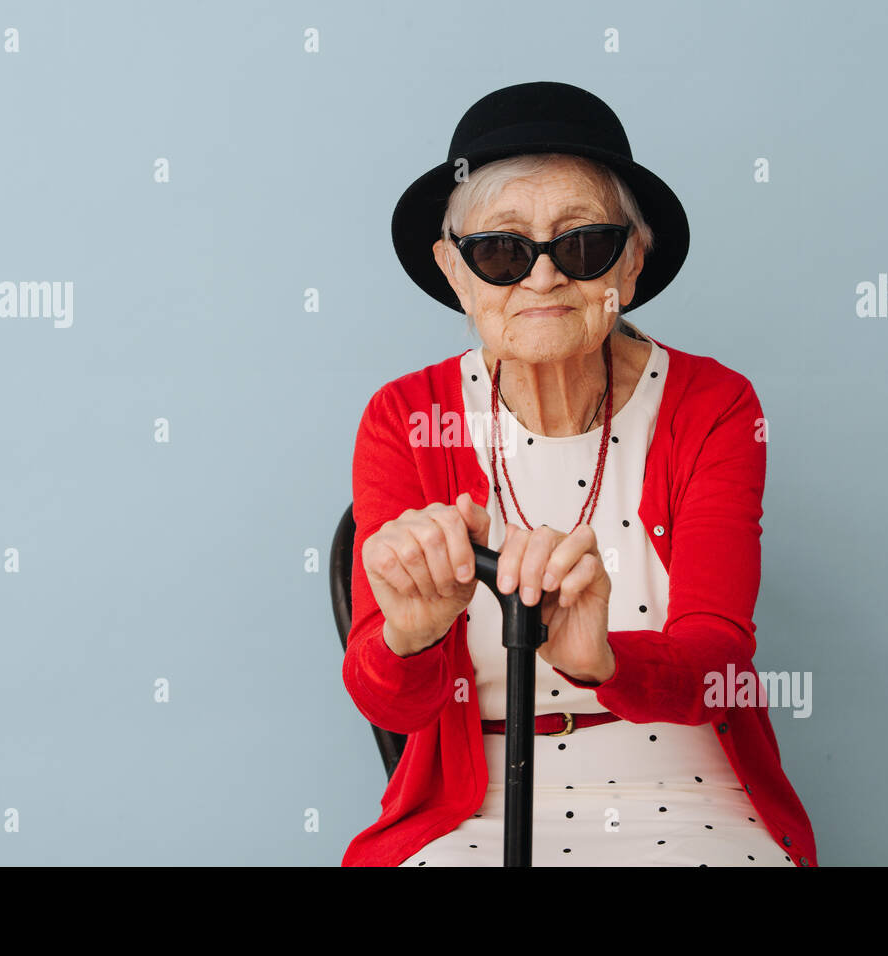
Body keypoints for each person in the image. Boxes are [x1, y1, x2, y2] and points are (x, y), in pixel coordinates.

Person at [341, 81, 817, 867]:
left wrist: (604, 658)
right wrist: (412, 634)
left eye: (582, 244)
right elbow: (384, 697)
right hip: (477, 799)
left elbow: (721, 661)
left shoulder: (714, 404)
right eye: (499, 250)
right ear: (454, 274)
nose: (541, 279)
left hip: (685, 778)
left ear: (630, 263)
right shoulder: (404, 416)